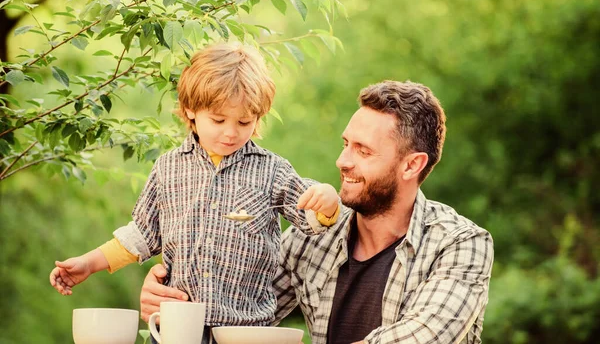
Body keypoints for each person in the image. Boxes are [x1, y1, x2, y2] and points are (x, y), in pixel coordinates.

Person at [140, 80, 494, 344]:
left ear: (411, 165)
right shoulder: (308, 241)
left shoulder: (460, 243)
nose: (342, 161)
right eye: (345, 144)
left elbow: (425, 336)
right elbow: (236, 313)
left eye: (363, 151)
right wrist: (175, 300)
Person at [49, 43, 341, 340]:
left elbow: (311, 215)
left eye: (244, 122)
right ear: (191, 109)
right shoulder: (168, 168)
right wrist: (88, 263)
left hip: (246, 331)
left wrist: (328, 202)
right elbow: (141, 234)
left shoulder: (272, 170)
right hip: (178, 327)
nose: (231, 132)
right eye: (218, 120)